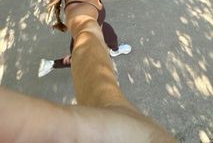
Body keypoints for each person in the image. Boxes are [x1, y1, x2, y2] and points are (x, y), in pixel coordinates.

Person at [0, 15, 176, 142]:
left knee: (86, 53)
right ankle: (56, 63)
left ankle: (56, 63)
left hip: (92, 29)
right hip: (94, 29)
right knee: (91, 52)